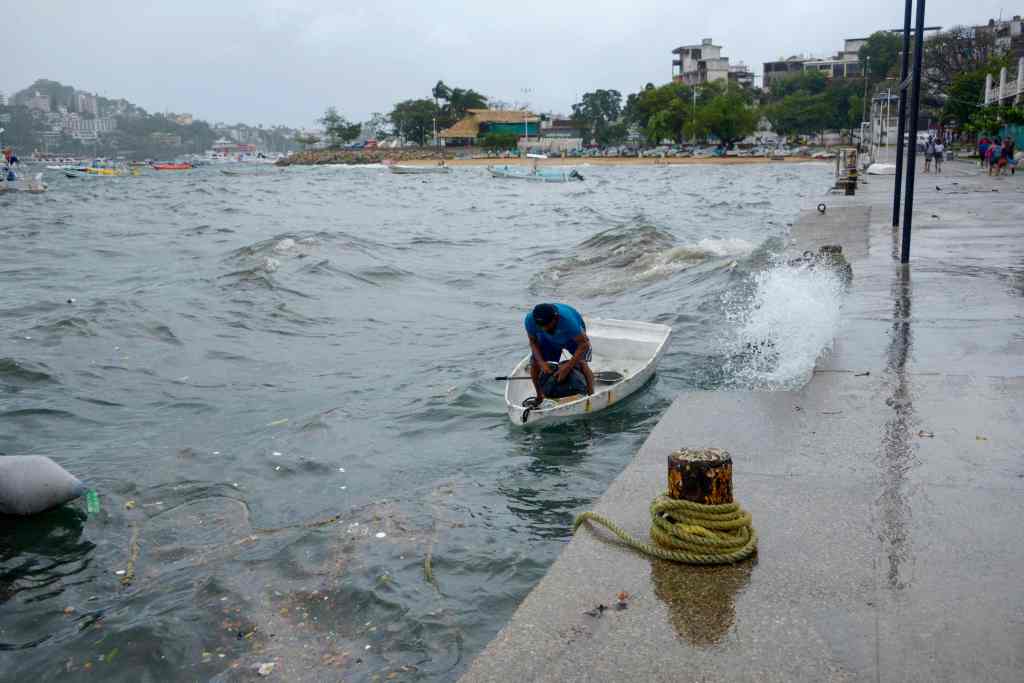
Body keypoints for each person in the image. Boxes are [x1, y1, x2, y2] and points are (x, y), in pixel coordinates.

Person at [524, 303, 594, 402]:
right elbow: (533, 342)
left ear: (556, 318)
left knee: (582, 362)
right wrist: (542, 363)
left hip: (571, 337)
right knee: (535, 364)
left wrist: (567, 367)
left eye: (548, 325)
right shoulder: (530, 320)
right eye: (541, 326)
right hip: (547, 339)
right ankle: (539, 396)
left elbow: (584, 344)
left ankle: (590, 394)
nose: (545, 328)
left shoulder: (568, 321)